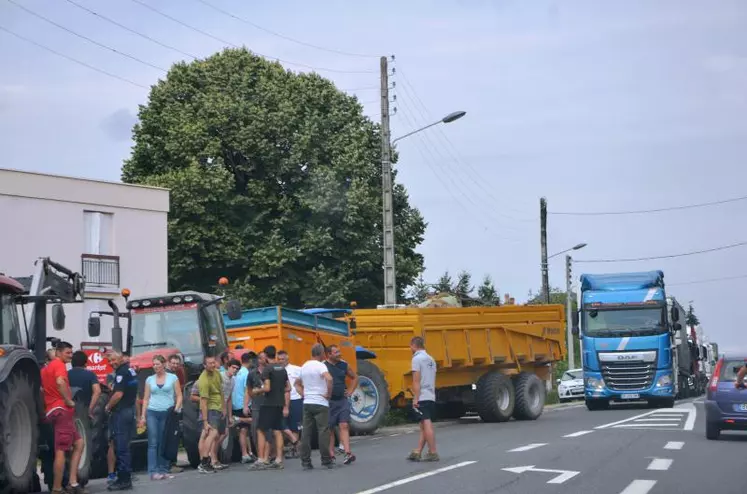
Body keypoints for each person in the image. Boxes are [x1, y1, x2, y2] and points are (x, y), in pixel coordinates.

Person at [41, 342, 85, 494]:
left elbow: (42, 389)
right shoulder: (59, 365)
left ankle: (73, 482)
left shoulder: (45, 369)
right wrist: (68, 400)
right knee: (61, 450)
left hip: (52, 410)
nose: (71, 356)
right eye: (68, 353)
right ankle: (57, 488)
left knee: (79, 443)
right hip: (61, 410)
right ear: (58, 353)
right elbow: (60, 382)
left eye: (72, 353)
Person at [138, 355, 183, 481]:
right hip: (152, 411)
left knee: (164, 441)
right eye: (154, 364)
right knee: (153, 442)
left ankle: (164, 469)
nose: (155, 367)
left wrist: (176, 408)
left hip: (167, 412)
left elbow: (179, 395)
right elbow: (146, 399)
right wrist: (143, 415)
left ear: (164, 365)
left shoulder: (173, 378)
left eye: (158, 364)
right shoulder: (149, 380)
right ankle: (153, 471)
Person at [249, 345, 289, 470]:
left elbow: (267, 388)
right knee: (277, 431)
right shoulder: (282, 368)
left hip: (268, 403)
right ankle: (278, 459)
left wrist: (256, 391)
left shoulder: (267, 369)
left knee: (261, 430)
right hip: (279, 403)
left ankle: (261, 459)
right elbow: (288, 388)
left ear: (266, 356)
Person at [296, 343, 334, 470]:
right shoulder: (321, 365)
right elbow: (329, 379)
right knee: (323, 431)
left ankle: (306, 461)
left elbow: (296, 383)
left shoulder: (304, 366)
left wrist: (304, 394)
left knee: (306, 432)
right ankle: (326, 460)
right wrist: (328, 394)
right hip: (320, 402)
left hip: (307, 402)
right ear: (321, 353)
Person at [105, 350, 138, 490]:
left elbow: (118, 394)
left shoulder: (121, 373)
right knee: (124, 445)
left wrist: (108, 406)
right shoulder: (131, 371)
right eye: (110, 361)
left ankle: (124, 479)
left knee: (121, 446)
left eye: (114, 360)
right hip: (130, 410)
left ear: (120, 359)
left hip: (122, 412)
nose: (112, 363)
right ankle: (125, 477)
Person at [407, 336, 439, 462]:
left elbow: (416, 380)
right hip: (431, 394)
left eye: (410, 346)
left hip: (422, 395)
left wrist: (415, 398)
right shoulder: (431, 359)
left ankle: (433, 451)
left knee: (426, 422)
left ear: (414, 345)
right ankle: (418, 451)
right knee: (423, 425)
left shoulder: (417, 359)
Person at [325, 345, 357, 465]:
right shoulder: (323, 366)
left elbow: (354, 377)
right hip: (329, 401)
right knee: (330, 428)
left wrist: (350, 390)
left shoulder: (344, 365)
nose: (339, 354)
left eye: (339, 351)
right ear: (329, 354)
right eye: (336, 352)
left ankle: (348, 453)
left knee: (344, 425)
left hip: (342, 400)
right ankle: (331, 455)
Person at [197, 355, 224, 473]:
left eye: (213, 363)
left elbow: (221, 390)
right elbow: (203, 401)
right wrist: (205, 420)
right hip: (209, 408)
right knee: (212, 433)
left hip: (217, 407)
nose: (212, 365)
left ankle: (204, 462)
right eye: (209, 363)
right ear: (204, 365)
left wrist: (223, 408)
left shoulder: (217, 373)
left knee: (205, 435)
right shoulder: (203, 380)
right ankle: (204, 462)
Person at [213, 358, 240, 470]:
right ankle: (213, 458)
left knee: (224, 433)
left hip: (224, 409)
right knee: (215, 434)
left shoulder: (233, 380)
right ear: (228, 367)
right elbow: (218, 394)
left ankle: (213, 454)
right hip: (216, 407)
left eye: (237, 369)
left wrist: (229, 415)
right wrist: (222, 408)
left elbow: (228, 398)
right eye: (233, 367)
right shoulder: (220, 377)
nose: (234, 370)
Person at [278, 349, 302, 457]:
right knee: (283, 425)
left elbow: (304, 381)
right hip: (281, 400)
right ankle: (291, 444)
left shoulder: (296, 369)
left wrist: (302, 393)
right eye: (279, 359)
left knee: (294, 426)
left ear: (287, 359)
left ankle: (295, 449)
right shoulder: (276, 370)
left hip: (295, 399)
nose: (281, 361)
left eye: (283, 359)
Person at [234, 352, 256, 464]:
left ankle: (249, 452)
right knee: (244, 430)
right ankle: (244, 454)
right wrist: (246, 405)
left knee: (244, 430)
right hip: (243, 403)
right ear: (251, 361)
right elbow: (247, 390)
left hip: (235, 403)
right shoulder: (247, 373)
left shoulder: (237, 372)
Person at [68, 350, 101, 418]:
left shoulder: (65, 374)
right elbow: (97, 391)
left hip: (68, 409)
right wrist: (90, 409)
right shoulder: (90, 375)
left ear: (72, 363)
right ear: (85, 363)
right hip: (84, 409)